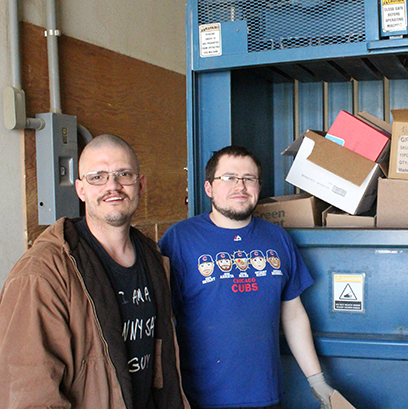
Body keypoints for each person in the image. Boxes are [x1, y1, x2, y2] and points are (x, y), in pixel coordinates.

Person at [0, 134, 189, 409]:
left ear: (141, 184)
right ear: (80, 189)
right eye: (97, 177)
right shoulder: (42, 274)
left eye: (124, 174)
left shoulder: (153, 259)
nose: (113, 186)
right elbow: (30, 395)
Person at [159, 146, 342, 409]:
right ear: (209, 188)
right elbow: (163, 319)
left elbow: (292, 314)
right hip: (200, 397)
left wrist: (317, 381)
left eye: (249, 179)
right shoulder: (179, 239)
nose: (240, 186)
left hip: (266, 394)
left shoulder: (277, 238)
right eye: (229, 177)